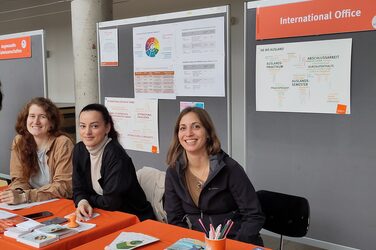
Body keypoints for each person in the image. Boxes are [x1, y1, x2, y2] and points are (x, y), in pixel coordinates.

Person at [164, 107, 265, 245]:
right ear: (178, 135)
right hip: (198, 243)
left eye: (196, 126)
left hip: (235, 241)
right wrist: (188, 244)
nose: (188, 133)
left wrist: (234, 245)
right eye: (182, 128)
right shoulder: (173, 172)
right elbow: (175, 218)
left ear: (208, 133)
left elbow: (254, 216)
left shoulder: (230, 169)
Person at [73, 103, 155, 221]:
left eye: (94, 126)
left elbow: (111, 203)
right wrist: (82, 202)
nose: (87, 132)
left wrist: (88, 198)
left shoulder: (116, 155)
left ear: (107, 127)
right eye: (82, 126)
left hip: (132, 218)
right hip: (102, 214)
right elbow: (77, 188)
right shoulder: (79, 150)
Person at [0, 97, 74, 204]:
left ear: (51, 122)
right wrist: (17, 193)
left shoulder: (62, 143)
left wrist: (25, 197)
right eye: (32, 116)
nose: (36, 121)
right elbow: (19, 179)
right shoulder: (19, 141)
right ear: (26, 119)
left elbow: (63, 186)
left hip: (57, 202)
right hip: (30, 202)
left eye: (42, 116)